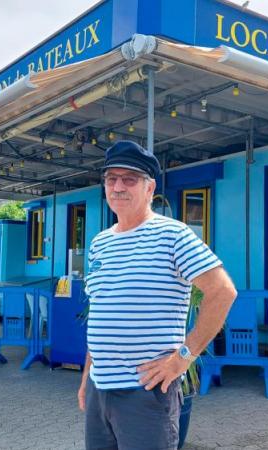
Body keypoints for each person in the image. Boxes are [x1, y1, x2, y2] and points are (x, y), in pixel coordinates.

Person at [78, 140, 237, 449]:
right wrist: (87, 375)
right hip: (100, 390)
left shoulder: (173, 234)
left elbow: (223, 292)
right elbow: (100, 312)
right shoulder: (100, 243)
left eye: (129, 179)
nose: (118, 186)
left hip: (145, 394)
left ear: (149, 188)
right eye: (111, 178)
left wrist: (183, 358)